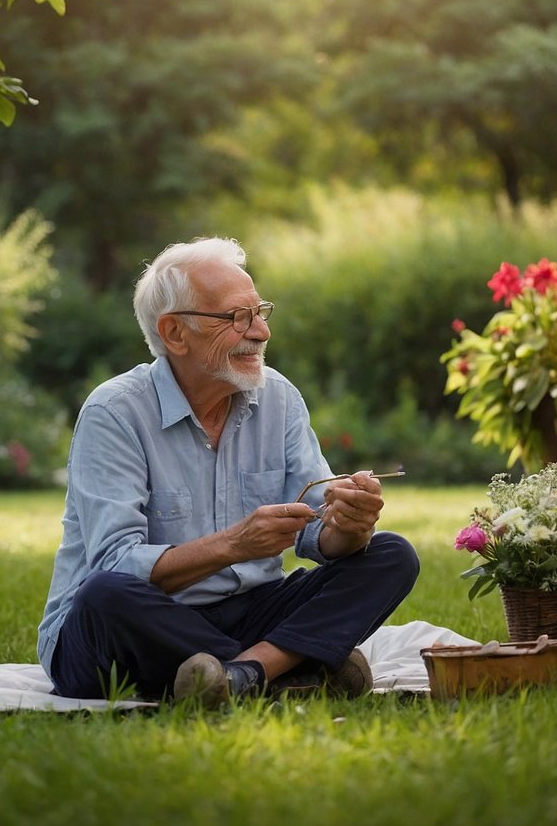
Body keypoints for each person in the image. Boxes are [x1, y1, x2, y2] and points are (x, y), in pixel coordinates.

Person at [36, 236, 420, 707]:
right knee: (105, 595)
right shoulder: (114, 412)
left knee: (390, 554)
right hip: (132, 625)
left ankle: (242, 675)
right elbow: (116, 564)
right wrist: (236, 545)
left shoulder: (279, 398)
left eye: (260, 312)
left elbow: (320, 536)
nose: (261, 332)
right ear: (175, 333)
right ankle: (292, 668)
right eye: (239, 317)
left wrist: (351, 526)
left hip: (249, 613)